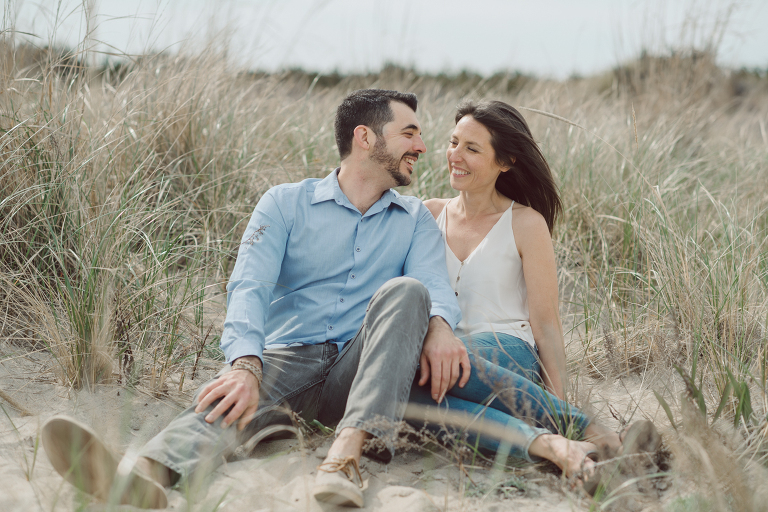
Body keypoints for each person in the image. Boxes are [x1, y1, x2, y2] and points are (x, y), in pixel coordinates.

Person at [41, 89, 470, 509]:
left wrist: (441, 326)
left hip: (361, 369)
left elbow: (432, 285)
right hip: (289, 357)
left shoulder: (414, 218)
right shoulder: (284, 204)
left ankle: (346, 455)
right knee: (231, 397)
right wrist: (245, 364)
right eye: (409, 133)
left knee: (407, 291)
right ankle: (142, 480)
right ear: (365, 138)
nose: (422, 145)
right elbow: (250, 285)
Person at [407, 100, 659, 484]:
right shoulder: (427, 214)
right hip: (443, 349)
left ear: (505, 162)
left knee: (424, 378)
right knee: (411, 397)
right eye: (453, 142)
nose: (455, 155)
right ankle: (563, 446)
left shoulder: (525, 223)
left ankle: (585, 429)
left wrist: (558, 398)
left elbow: (546, 323)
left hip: (506, 348)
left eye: (472, 149)